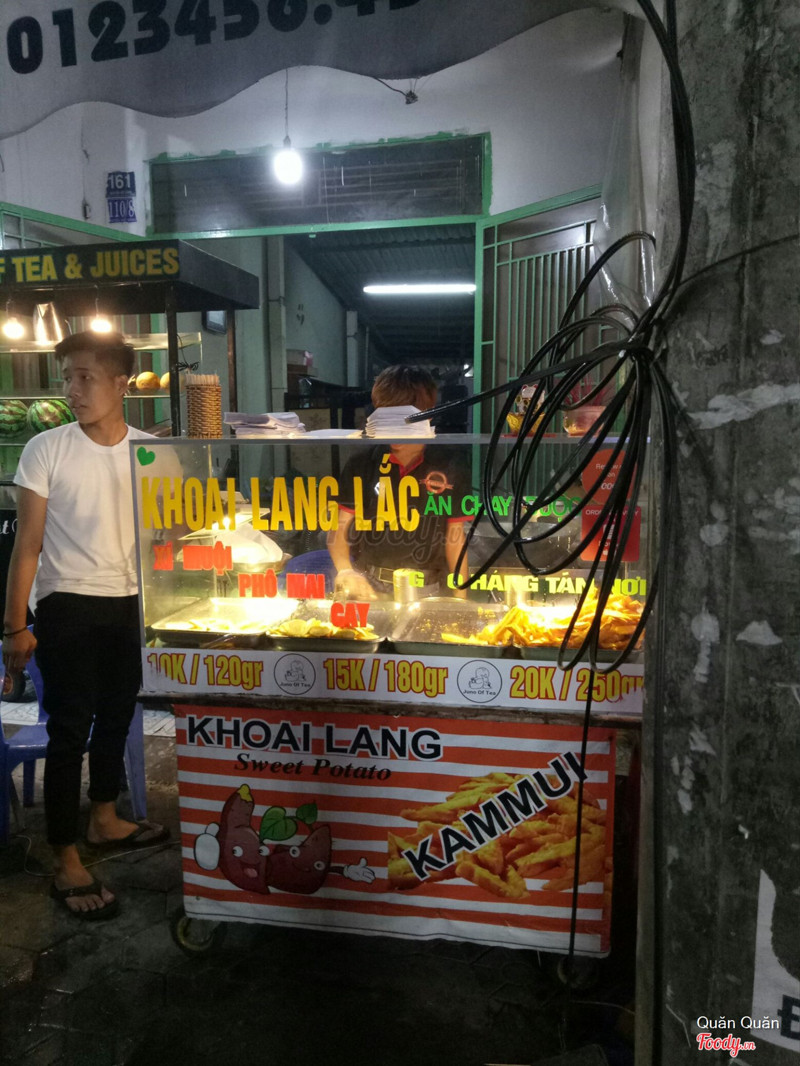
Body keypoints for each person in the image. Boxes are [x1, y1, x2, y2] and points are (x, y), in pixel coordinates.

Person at [2, 331, 168, 920]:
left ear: (122, 384)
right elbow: (27, 545)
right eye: (67, 377)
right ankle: (64, 855)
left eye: (85, 377)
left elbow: (169, 537)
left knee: (118, 713)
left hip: (131, 604)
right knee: (70, 729)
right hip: (67, 603)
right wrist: (14, 627)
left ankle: (104, 817)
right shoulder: (46, 449)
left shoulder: (153, 452)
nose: (72, 390)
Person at [328, 365, 471, 600]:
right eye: (385, 417)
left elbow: (455, 538)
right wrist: (345, 570)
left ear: (428, 414)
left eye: (403, 418)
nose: (393, 428)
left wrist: (460, 599)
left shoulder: (449, 463)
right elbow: (339, 528)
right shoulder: (362, 462)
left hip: (429, 587)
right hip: (371, 585)